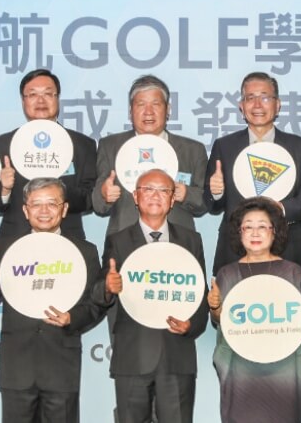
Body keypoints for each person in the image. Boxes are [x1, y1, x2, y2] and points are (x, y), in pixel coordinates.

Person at [0, 177, 105, 422]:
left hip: (61, 366)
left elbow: (96, 304)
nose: (44, 211)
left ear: (64, 209)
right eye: (36, 204)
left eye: (52, 203)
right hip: (17, 367)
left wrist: (72, 318)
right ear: (26, 210)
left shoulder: (84, 251)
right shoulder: (8, 247)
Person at [95, 169, 208, 423]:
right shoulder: (118, 241)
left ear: (172, 199)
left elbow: (201, 295)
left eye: (163, 190)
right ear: (135, 197)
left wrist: (191, 324)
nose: (155, 196)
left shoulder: (191, 240)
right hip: (132, 356)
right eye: (148, 189)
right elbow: (98, 294)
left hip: (177, 357)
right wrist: (107, 287)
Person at [207, 197, 301, 423]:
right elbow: (219, 321)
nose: (255, 233)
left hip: (283, 372)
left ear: (274, 231)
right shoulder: (227, 273)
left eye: (262, 226)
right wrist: (215, 307)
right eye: (248, 227)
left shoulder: (293, 272)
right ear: (239, 232)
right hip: (240, 372)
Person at [204, 72, 301, 273]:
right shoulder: (224, 146)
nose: (257, 105)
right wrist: (216, 192)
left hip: (285, 245)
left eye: (265, 97)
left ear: (278, 105)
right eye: (250, 98)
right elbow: (212, 204)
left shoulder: (300, 147)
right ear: (241, 106)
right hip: (234, 247)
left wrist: (281, 208)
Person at [0, 69, 98, 240]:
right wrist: (4, 190)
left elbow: (91, 200)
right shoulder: (3, 145)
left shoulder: (82, 145)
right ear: (23, 101)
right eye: (32, 94)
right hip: (15, 241)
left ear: (57, 99)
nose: (40, 100)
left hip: (67, 241)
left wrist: (58, 189)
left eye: (48, 94)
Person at [93, 74, 208, 236]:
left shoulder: (193, 150)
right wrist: (104, 195)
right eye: (141, 104)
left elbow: (206, 202)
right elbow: (98, 205)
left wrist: (186, 194)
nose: (148, 112)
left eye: (156, 104)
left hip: (178, 240)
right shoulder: (110, 146)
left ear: (168, 110)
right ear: (130, 111)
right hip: (123, 240)